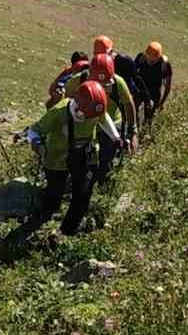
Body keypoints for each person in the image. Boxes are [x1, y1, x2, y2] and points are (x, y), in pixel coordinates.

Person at [24, 81, 120, 237]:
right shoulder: (58, 112)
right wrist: (37, 144)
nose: (86, 119)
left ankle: (66, 232)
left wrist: (115, 137)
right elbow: (33, 131)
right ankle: (43, 218)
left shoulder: (92, 108)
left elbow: (104, 119)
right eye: (83, 115)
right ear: (76, 104)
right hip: (56, 158)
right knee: (55, 193)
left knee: (83, 194)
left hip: (83, 155)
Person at [62, 53, 139, 183]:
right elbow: (65, 103)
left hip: (112, 123)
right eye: (99, 83)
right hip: (85, 123)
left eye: (106, 84)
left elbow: (128, 103)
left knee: (105, 160)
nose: (102, 87)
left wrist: (133, 131)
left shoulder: (118, 82)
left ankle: (99, 187)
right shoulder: (77, 81)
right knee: (83, 159)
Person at [133, 41, 174, 127]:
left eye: (153, 59)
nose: (150, 60)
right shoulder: (141, 58)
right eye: (148, 57)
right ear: (145, 54)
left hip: (154, 93)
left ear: (158, 57)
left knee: (149, 118)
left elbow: (167, 86)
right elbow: (132, 74)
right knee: (133, 112)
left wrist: (162, 102)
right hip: (140, 89)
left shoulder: (165, 65)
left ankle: (144, 135)